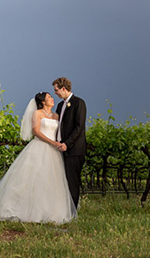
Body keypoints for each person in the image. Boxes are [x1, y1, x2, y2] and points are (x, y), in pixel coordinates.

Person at [0, 92, 76, 224]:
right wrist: (52, 142)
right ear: (43, 102)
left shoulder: (56, 116)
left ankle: (49, 211)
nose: (51, 99)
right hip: (39, 147)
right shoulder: (37, 114)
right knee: (31, 179)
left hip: (53, 152)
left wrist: (59, 144)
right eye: (49, 97)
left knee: (50, 180)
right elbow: (36, 132)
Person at [52, 77, 87, 209]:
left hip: (74, 150)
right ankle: (64, 209)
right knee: (63, 181)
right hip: (61, 148)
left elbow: (79, 127)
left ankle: (73, 210)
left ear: (63, 89)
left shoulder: (79, 103)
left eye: (56, 90)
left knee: (72, 181)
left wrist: (67, 143)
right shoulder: (60, 105)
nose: (55, 93)